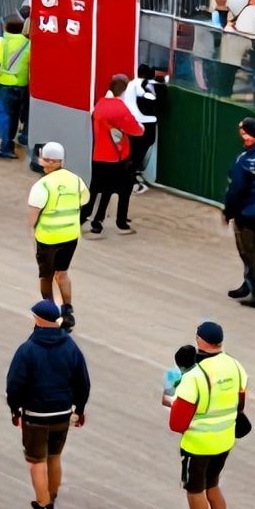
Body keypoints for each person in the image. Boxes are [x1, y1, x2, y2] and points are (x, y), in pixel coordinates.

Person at [5, 300, 91, 509]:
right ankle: (51, 501)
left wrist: (15, 409)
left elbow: (14, 384)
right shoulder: (70, 346)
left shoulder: (28, 349)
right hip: (62, 413)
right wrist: (79, 409)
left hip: (36, 415)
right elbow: (83, 382)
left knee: (37, 462)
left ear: (38, 319)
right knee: (54, 457)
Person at [169, 320, 248, 509]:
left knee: (195, 490)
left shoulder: (194, 376)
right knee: (213, 484)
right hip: (224, 440)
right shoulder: (236, 366)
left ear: (199, 340)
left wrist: (172, 398)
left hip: (198, 444)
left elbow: (177, 423)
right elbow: (240, 403)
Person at [27, 142, 90, 330]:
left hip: (47, 238)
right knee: (62, 274)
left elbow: (32, 218)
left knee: (46, 277)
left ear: (43, 160)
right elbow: (84, 200)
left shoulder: (42, 185)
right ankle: (67, 312)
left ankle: (50, 312)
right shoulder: (76, 180)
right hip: (70, 236)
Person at [222, 117, 255, 308]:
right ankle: (248, 285)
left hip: (246, 214)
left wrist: (228, 212)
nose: (242, 136)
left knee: (249, 253)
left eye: (244, 132)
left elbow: (235, 191)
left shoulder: (244, 160)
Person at [88, 74, 144, 236]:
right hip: (117, 157)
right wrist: (141, 128)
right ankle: (120, 221)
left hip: (98, 155)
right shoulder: (120, 108)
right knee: (125, 188)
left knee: (102, 189)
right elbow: (136, 130)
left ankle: (97, 221)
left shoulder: (100, 104)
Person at [0, 14, 31, 160]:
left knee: (4, 115)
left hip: (3, 84)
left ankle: (5, 147)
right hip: (22, 85)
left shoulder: (0, 42)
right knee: (15, 116)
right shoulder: (29, 44)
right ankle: (12, 141)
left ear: (6, 27)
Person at [123, 63, 164, 193]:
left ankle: (129, 177)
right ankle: (130, 180)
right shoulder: (142, 86)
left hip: (131, 123)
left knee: (132, 152)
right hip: (143, 124)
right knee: (137, 154)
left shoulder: (130, 84)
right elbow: (151, 104)